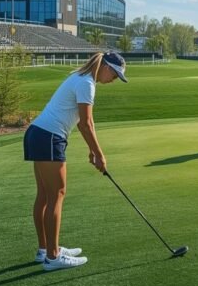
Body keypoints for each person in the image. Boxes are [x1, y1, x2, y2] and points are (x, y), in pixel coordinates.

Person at [24, 51, 128, 271]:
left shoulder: (80, 78)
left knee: (44, 195)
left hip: (38, 133)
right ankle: (53, 257)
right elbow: (86, 124)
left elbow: (81, 121)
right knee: (57, 194)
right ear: (106, 67)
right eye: (115, 75)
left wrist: (92, 151)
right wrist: (99, 154)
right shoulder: (87, 83)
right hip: (49, 136)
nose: (114, 80)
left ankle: (45, 250)